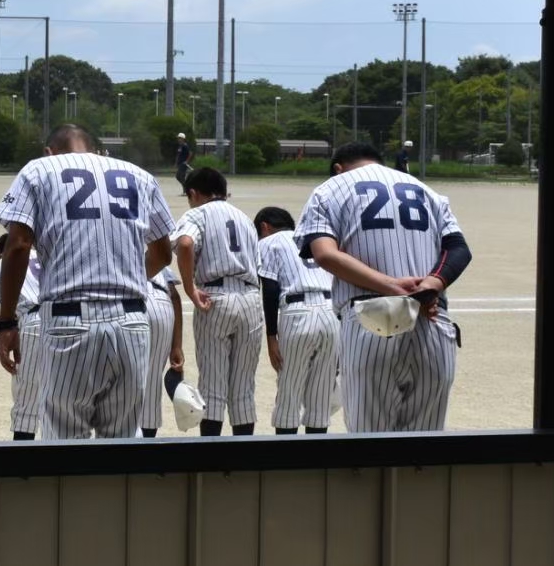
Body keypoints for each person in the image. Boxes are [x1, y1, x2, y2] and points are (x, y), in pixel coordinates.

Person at [0, 123, 174, 438]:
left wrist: (7, 322)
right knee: (119, 442)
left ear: (49, 151)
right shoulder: (139, 175)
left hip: (70, 321)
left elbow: (19, 245)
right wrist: (127, 277)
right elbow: (162, 253)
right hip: (132, 322)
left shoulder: (39, 170)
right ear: (93, 148)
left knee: (64, 443)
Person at [296, 141, 472, 432]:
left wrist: (391, 285)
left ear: (338, 168)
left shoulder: (330, 189)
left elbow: (325, 253)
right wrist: (430, 284)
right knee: (423, 448)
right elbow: (458, 249)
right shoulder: (425, 189)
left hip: (370, 319)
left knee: (369, 445)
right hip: (431, 317)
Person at [172, 166, 263, 435]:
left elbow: (185, 244)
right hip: (250, 297)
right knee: (243, 390)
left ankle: (211, 459)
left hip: (216, 297)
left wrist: (190, 288)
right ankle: (241, 459)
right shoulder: (244, 218)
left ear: (193, 193)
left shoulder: (196, 213)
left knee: (212, 388)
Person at [254, 206, 336, 434]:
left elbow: (270, 289)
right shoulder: (313, 239)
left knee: (289, 398)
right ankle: (317, 465)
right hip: (331, 313)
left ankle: (286, 463)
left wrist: (272, 337)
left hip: (298, 314)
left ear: (264, 227)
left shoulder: (268, 243)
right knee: (320, 400)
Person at [0, 232, 45, 440]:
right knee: (65, 398)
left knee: (26, 403)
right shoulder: (46, 257)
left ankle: (22, 467)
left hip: (32, 324)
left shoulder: (3, 263)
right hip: (63, 318)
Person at [138, 261, 185, 436]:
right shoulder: (155, 256)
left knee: (121, 385)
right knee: (151, 385)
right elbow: (175, 296)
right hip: (162, 305)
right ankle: (147, 447)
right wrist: (177, 346)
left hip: (134, 304)